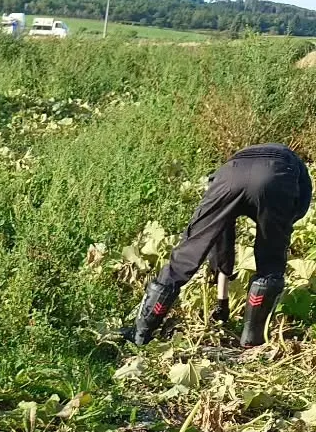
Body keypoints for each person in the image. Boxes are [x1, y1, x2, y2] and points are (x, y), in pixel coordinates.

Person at [130, 143, 312, 349]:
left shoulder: (231, 165)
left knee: (187, 253)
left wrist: (222, 302)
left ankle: (141, 333)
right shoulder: (297, 168)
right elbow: (298, 209)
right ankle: (252, 341)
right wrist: (276, 231)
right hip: (276, 175)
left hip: (229, 175)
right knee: (271, 264)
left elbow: (219, 240)